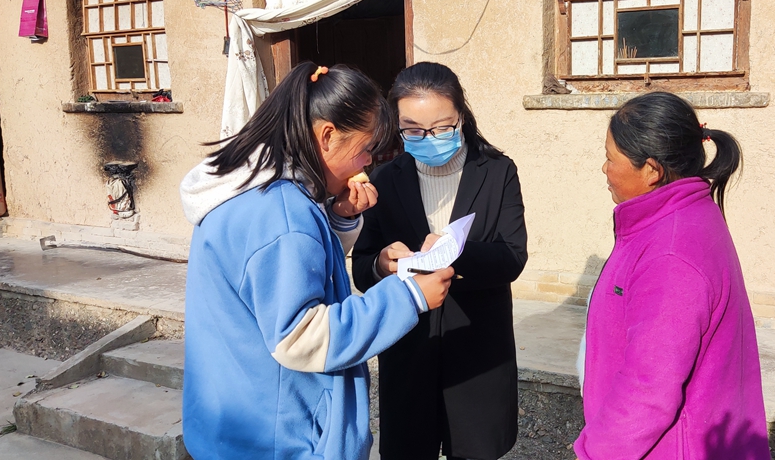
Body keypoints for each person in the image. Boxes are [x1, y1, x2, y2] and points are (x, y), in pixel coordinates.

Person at [178, 62, 454, 460]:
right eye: (365, 149)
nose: (367, 163)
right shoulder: (283, 214)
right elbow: (301, 337)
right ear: (326, 136)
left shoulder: (246, 189)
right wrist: (408, 296)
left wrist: (338, 218)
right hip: (282, 440)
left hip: (232, 423)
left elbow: (286, 277)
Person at [575, 92, 771, 459]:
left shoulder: (671, 252)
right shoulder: (678, 218)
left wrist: (595, 452)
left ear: (651, 170)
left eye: (610, 158)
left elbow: (648, 388)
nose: (604, 168)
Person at [351, 62, 527, 460]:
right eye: (413, 130)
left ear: (460, 117)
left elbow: (512, 256)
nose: (428, 138)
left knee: (475, 449)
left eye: (441, 127)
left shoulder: (497, 171)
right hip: (408, 346)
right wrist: (381, 263)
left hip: (477, 346)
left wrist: (454, 251)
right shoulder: (384, 179)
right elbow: (362, 267)